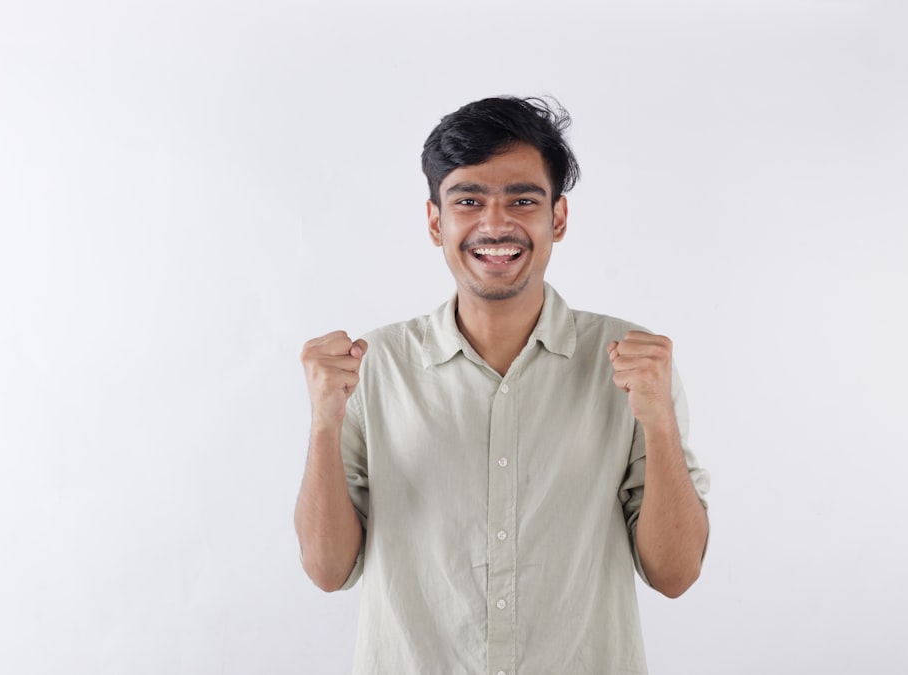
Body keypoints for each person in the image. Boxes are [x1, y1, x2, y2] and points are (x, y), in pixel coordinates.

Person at [295, 96, 710, 674]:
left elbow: (676, 574)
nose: (495, 224)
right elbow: (327, 569)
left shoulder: (632, 363)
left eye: (522, 199)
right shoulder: (374, 366)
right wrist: (322, 424)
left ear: (557, 218)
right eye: (469, 200)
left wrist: (659, 421)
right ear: (436, 220)